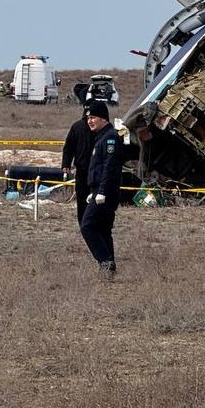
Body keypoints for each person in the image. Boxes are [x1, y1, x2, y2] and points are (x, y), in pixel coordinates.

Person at [80, 100, 122, 280]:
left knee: (87, 226)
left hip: (106, 191)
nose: (90, 121)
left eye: (94, 117)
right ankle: (109, 270)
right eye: (88, 118)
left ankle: (105, 262)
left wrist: (102, 191)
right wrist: (94, 190)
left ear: (103, 118)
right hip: (98, 190)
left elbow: (109, 167)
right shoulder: (101, 137)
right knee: (103, 229)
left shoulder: (110, 137)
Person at [61, 101, 96, 227]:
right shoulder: (77, 126)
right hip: (81, 170)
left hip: (96, 170)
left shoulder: (99, 129)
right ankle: (83, 224)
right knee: (81, 199)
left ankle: (93, 223)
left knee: (95, 199)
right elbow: (68, 147)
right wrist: (66, 164)